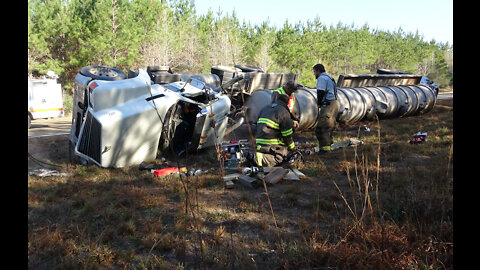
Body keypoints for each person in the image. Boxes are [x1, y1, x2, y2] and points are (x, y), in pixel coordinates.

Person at [255, 94, 296, 167]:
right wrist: (292, 148)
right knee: (280, 159)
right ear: (287, 103)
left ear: (277, 99)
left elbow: (256, 124)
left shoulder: (265, 108)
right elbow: (287, 135)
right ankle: (259, 158)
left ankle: (259, 155)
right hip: (271, 144)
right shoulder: (284, 112)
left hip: (259, 143)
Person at [313, 63, 340, 154]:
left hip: (328, 105)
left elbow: (320, 91)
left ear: (318, 71)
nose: (314, 74)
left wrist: (319, 103)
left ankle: (324, 150)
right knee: (329, 126)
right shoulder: (329, 77)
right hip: (334, 104)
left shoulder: (321, 78)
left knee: (322, 127)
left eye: (314, 72)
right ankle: (328, 144)